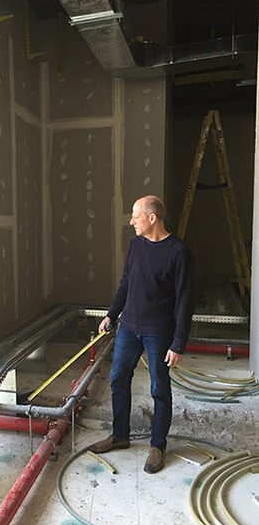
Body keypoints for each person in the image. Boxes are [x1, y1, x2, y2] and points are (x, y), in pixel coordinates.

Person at [90, 195, 194, 473]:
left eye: (135, 215)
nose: (131, 220)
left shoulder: (178, 252)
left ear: (152, 218)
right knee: (117, 379)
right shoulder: (136, 245)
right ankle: (120, 435)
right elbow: (126, 282)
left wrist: (179, 343)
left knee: (159, 388)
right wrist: (112, 314)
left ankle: (157, 446)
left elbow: (185, 300)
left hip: (158, 333)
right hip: (128, 326)